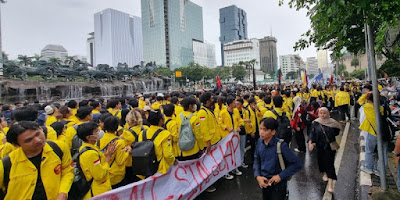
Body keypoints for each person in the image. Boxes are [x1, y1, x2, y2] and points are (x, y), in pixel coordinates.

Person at [0, 121, 74, 200]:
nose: (38, 140)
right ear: (16, 145)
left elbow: (67, 171)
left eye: (37, 134)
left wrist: (63, 193)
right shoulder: (6, 164)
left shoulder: (59, 148)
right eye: (29, 140)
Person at [254, 117, 303, 200]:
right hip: (264, 183)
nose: (261, 132)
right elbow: (256, 160)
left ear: (273, 132)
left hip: (278, 185)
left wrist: (280, 176)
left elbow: (297, 163)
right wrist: (258, 176)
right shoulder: (260, 142)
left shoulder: (281, 146)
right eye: (260, 128)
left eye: (265, 130)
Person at [76, 122, 117, 199]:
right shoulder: (90, 153)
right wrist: (108, 158)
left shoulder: (89, 147)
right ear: (88, 137)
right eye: (96, 131)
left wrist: (106, 156)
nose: (99, 132)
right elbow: (99, 175)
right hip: (97, 192)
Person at [308, 107, 342, 193]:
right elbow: (311, 133)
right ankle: (326, 174)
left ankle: (331, 185)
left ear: (328, 113)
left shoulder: (333, 123)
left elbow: (337, 132)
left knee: (329, 164)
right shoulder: (315, 123)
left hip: (329, 147)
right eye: (321, 113)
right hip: (320, 147)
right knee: (322, 162)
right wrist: (310, 143)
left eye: (324, 113)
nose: (323, 115)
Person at [137, 110, 176, 175]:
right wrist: (174, 161)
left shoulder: (142, 133)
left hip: (144, 167)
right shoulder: (165, 134)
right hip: (159, 169)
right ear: (160, 120)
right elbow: (168, 154)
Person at [97, 116, 131, 189]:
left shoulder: (99, 140)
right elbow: (120, 161)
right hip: (116, 176)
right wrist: (127, 151)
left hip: (103, 174)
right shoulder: (119, 142)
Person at [219, 96, 244, 178]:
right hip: (227, 136)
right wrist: (226, 127)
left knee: (235, 152)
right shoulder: (223, 112)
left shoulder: (236, 111)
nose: (235, 104)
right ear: (230, 104)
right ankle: (226, 172)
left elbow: (239, 120)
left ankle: (235, 168)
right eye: (234, 103)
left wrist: (240, 126)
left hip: (235, 135)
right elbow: (220, 123)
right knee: (227, 154)